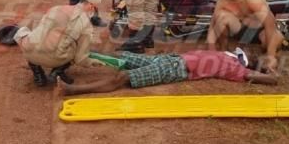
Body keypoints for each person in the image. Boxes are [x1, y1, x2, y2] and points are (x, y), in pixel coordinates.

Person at [56, 49, 277, 95]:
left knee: (123, 78)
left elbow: (270, 80)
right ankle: (75, 52)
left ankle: (73, 90)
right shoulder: (228, 55)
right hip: (170, 59)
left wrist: (269, 72)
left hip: (176, 69)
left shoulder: (237, 69)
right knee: (122, 55)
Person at [15, 0, 104, 87]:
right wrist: (91, 62)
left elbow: (40, 31)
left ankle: (38, 74)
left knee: (28, 34)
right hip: (54, 59)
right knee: (77, 48)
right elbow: (80, 59)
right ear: (90, 6)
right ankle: (57, 72)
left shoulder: (56, 8)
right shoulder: (86, 24)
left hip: (29, 52)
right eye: (95, 8)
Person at [205, 0, 284, 72]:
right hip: (240, 31)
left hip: (259, 31)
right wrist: (212, 50)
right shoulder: (223, 1)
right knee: (221, 17)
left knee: (277, 37)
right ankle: (224, 52)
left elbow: (270, 25)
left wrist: (271, 56)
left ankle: (266, 56)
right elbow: (213, 25)